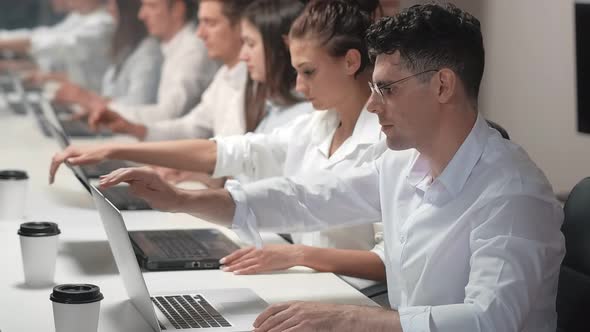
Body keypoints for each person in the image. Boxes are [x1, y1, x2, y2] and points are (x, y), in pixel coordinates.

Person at [92, 4, 565, 331]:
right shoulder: (404, 165)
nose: (374, 106)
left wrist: (354, 320)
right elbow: (307, 197)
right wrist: (183, 200)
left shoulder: (512, 192)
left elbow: (490, 320)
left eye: (387, 89)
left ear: (442, 86)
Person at [50, 0, 388, 287]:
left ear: (351, 62)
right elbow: (233, 151)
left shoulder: (388, 140)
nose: (299, 85)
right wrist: (120, 151)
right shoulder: (316, 125)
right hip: (307, 281)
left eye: (308, 72)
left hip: (352, 293)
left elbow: (389, 260)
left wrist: (299, 255)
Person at [85, 0, 220, 124]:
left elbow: (169, 114)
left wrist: (104, 109)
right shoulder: (170, 47)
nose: (141, 15)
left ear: (177, 9)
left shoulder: (193, 50)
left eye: (152, 6)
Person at [52, 0, 162, 109]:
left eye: (112, 3)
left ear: (128, 8)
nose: (109, 8)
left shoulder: (149, 53)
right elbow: (111, 95)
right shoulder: (127, 48)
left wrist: (88, 99)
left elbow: (138, 105)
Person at [0, 0, 115, 92]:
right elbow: (44, 36)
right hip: (79, 95)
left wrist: (4, 44)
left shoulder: (104, 22)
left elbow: (57, 45)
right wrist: (11, 66)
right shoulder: (79, 17)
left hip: (95, 99)